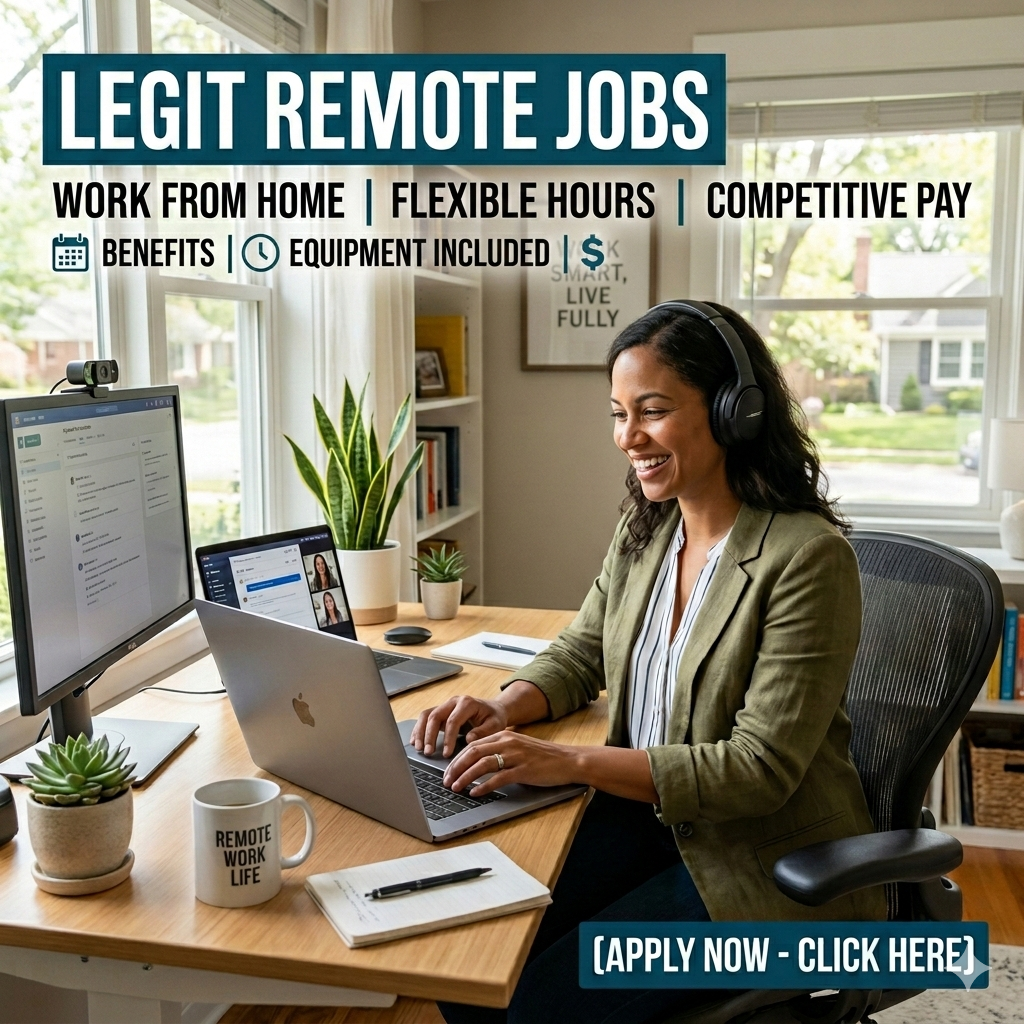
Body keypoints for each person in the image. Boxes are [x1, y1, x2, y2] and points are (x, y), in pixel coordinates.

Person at [411, 302, 886, 1024]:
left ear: (735, 412)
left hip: (763, 868)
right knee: (468, 957)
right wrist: (503, 707)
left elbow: (757, 769)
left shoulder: (807, 557)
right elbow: (582, 650)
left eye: (653, 411)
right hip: (653, 822)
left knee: (541, 1008)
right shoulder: (648, 528)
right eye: (617, 413)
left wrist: (568, 763)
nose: (627, 437)